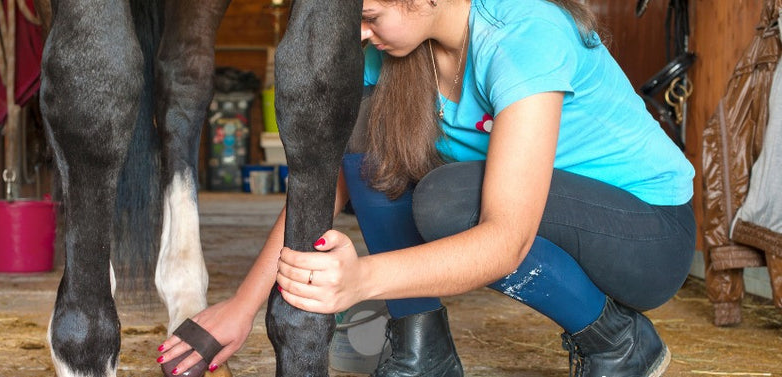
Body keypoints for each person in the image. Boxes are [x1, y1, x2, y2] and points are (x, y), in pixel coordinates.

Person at [158, 0, 696, 376]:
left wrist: (361, 280)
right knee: (369, 153)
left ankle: (617, 342)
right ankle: (422, 351)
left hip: (646, 235)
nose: (361, 32)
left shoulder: (525, 32)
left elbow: (504, 240)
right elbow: (333, 181)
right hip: (546, 215)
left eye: (368, 16)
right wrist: (244, 306)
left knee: (447, 200)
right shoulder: (394, 49)